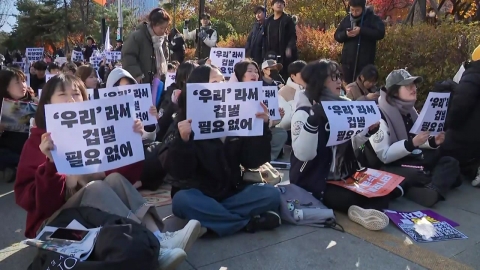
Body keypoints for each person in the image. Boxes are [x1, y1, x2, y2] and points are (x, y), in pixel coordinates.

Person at [14, 74, 201, 270]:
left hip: (89, 215)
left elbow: (126, 177)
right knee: (96, 188)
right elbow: (38, 204)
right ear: (47, 103)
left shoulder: (93, 131)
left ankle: (158, 237)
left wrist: (131, 140)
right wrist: (51, 165)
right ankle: (150, 245)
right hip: (54, 227)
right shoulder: (36, 142)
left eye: (76, 94)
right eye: (62, 94)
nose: (71, 99)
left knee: (113, 179)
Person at [160, 64, 281, 237]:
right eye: (214, 82)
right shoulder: (183, 121)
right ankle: (246, 223)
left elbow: (252, 161)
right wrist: (183, 141)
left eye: (223, 80)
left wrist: (261, 129)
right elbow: (178, 172)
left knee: (271, 194)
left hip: (231, 192)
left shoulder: (237, 115)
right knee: (182, 202)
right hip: (199, 194)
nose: (221, 85)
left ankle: (212, 221)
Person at [290, 59, 391, 231]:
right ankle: (356, 210)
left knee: (385, 194)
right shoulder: (303, 113)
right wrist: (313, 122)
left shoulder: (345, 106)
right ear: (319, 81)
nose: (339, 81)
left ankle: (359, 209)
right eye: (333, 77)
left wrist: (368, 132)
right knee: (352, 198)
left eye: (339, 76)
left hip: (343, 176)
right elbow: (303, 155)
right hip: (315, 180)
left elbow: (352, 143)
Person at [364, 69, 461, 207]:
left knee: (449, 162)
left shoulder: (410, 111)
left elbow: (417, 140)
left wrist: (433, 141)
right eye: (408, 86)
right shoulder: (379, 114)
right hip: (389, 165)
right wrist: (411, 144)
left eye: (414, 85)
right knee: (420, 172)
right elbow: (384, 155)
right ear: (394, 91)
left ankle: (427, 188)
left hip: (411, 158)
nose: (413, 88)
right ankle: (431, 188)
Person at [441, 45, 480, 186]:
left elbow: (460, 105)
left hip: (468, 136)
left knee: (440, 152)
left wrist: (448, 126)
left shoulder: (474, 74)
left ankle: (472, 169)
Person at [234, 59, 288, 161]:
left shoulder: (275, 85)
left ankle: (267, 160)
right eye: (250, 71)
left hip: (259, 133)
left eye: (256, 71)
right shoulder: (230, 93)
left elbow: (266, 123)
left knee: (280, 133)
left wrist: (276, 118)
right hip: (240, 137)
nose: (254, 74)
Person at [334, 0, 385, 84]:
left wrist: (361, 31)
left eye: (357, 10)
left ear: (363, 8)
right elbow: (337, 36)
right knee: (347, 86)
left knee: (362, 86)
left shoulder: (372, 18)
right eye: (352, 10)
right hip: (348, 62)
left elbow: (380, 33)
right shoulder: (347, 20)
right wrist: (346, 34)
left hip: (365, 61)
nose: (354, 13)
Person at [0, 68, 36, 183]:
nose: (23, 85)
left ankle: (16, 168)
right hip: (7, 148)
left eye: (24, 81)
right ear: (5, 87)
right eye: (17, 82)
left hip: (27, 146)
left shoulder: (33, 103)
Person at [123, 8, 170, 85]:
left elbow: (166, 58)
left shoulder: (163, 40)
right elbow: (128, 57)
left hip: (158, 82)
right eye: (161, 28)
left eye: (165, 28)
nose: (163, 31)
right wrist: (137, 74)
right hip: (140, 82)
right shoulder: (137, 36)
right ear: (153, 24)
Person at [263, 0, 298, 80]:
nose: (279, 4)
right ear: (272, 6)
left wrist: (289, 48)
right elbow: (264, 38)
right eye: (277, 2)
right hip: (271, 54)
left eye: (281, 3)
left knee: (285, 77)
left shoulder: (288, 20)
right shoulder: (268, 21)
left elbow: (293, 36)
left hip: (285, 55)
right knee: (271, 77)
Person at [278, 60, 306, 132]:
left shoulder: (311, 89)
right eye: (303, 73)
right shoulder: (282, 92)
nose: (306, 76)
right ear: (293, 76)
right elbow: (283, 123)